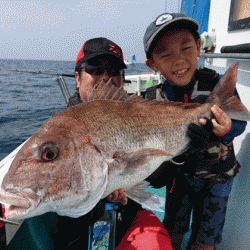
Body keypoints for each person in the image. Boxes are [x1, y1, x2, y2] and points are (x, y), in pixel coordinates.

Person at [143, 13, 247, 250]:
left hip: (217, 179)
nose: (179, 60)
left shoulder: (215, 84)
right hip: (178, 179)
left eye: (186, 47)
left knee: (206, 241)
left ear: (199, 47)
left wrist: (227, 128)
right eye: (166, 54)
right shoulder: (152, 100)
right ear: (152, 64)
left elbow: (240, 123)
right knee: (173, 234)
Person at [56, 37, 143, 249]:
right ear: (77, 78)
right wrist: (102, 195)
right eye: (95, 68)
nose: (105, 77)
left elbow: (156, 178)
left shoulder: (138, 119)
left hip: (127, 222)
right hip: (78, 232)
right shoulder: (62, 132)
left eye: (113, 70)